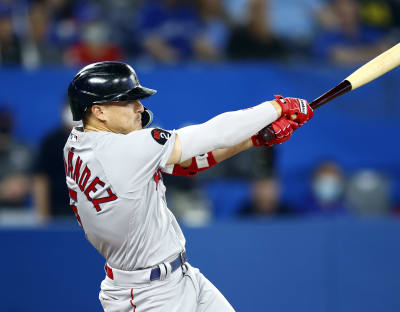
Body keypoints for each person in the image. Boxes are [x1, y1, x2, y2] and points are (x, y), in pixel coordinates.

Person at [64, 61, 313, 311]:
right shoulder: (127, 149)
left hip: (175, 277)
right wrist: (276, 108)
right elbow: (213, 133)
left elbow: (187, 163)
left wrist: (254, 138)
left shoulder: (77, 143)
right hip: (148, 296)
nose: (139, 107)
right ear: (99, 111)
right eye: (128, 101)